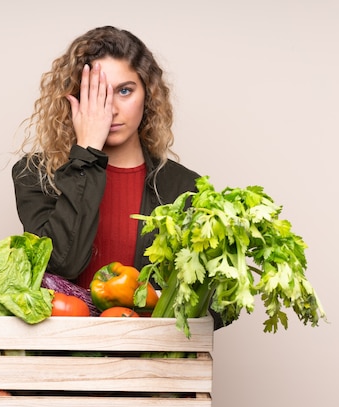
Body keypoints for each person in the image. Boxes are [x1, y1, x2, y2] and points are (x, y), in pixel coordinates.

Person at [12, 25, 222, 328]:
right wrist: (86, 152)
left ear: (147, 95)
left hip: (152, 365)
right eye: (95, 94)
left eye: (125, 91)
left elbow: (217, 305)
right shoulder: (35, 176)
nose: (109, 109)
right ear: (73, 99)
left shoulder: (185, 188)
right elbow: (63, 264)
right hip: (58, 363)